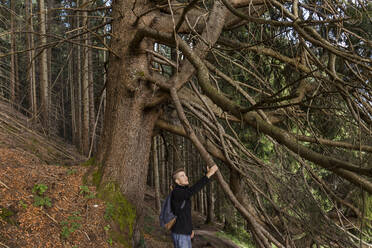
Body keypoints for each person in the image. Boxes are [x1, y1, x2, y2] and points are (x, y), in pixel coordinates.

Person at [170, 164, 219, 248]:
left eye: (185, 175)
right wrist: (209, 174)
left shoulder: (182, 191)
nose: (186, 177)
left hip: (185, 233)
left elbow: (185, 215)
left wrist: (190, 230)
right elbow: (194, 189)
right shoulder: (177, 192)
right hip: (180, 234)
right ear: (177, 181)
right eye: (182, 176)